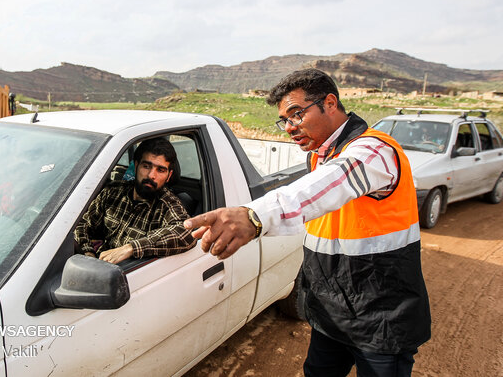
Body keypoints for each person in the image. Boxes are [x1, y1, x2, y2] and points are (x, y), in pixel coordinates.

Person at [184, 68, 431, 377]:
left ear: (329, 103)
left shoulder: (373, 151)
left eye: (296, 115)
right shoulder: (319, 157)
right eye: (284, 120)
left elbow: (329, 184)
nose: (289, 128)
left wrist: (253, 216)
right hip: (331, 312)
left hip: (380, 317)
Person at [74, 137, 195, 264]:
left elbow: (185, 233)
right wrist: (88, 253)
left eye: (160, 170)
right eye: (146, 166)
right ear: (136, 165)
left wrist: (130, 248)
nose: (151, 175)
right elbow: (83, 224)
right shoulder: (113, 192)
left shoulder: (167, 205)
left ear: (169, 176)